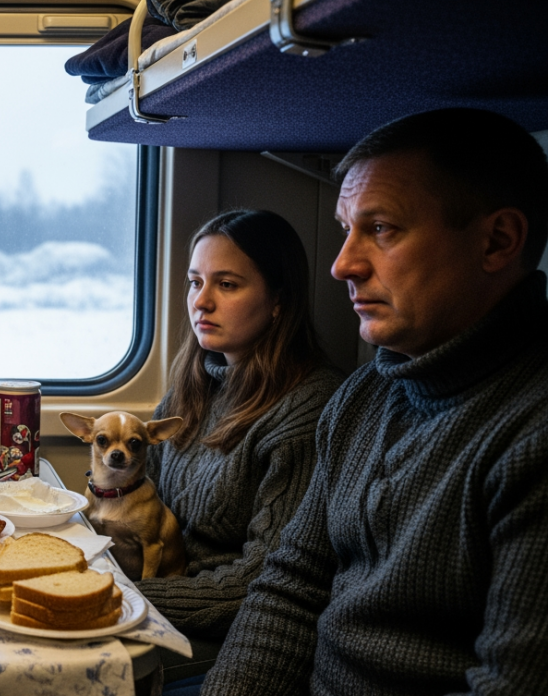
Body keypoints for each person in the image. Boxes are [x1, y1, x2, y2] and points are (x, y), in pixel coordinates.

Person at [203, 108, 548, 695]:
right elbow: (293, 587)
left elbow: (512, 684)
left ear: (497, 242)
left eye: (382, 228)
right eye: (345, 229)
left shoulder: (529, 431)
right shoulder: (363, 396)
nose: (343, 265)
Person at [137, 211, 342, 685]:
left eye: (227, 285)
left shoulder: (307, 409)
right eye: (194, 282)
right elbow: (143, 500)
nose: (200, 302)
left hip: (229, 625)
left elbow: (262, 578)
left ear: (277, 301)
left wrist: (126, 594)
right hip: (166, 591)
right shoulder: (194, 385)